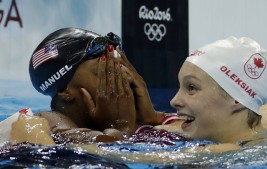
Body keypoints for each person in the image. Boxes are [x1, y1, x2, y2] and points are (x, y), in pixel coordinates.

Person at [9, 30, 267, 146]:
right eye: (107, 72)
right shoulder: (48, 126)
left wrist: (141, 122)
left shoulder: (182, 127)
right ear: (68, 92)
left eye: (122, 65)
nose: (123, 77)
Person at [10, 28, 166, 144]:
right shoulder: (43, 123)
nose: (123, 79)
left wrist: (153, 118)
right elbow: (104, 153)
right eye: (106, 73)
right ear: (65, 91)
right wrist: (122, 128)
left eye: (120, 69)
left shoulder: (139, 124)